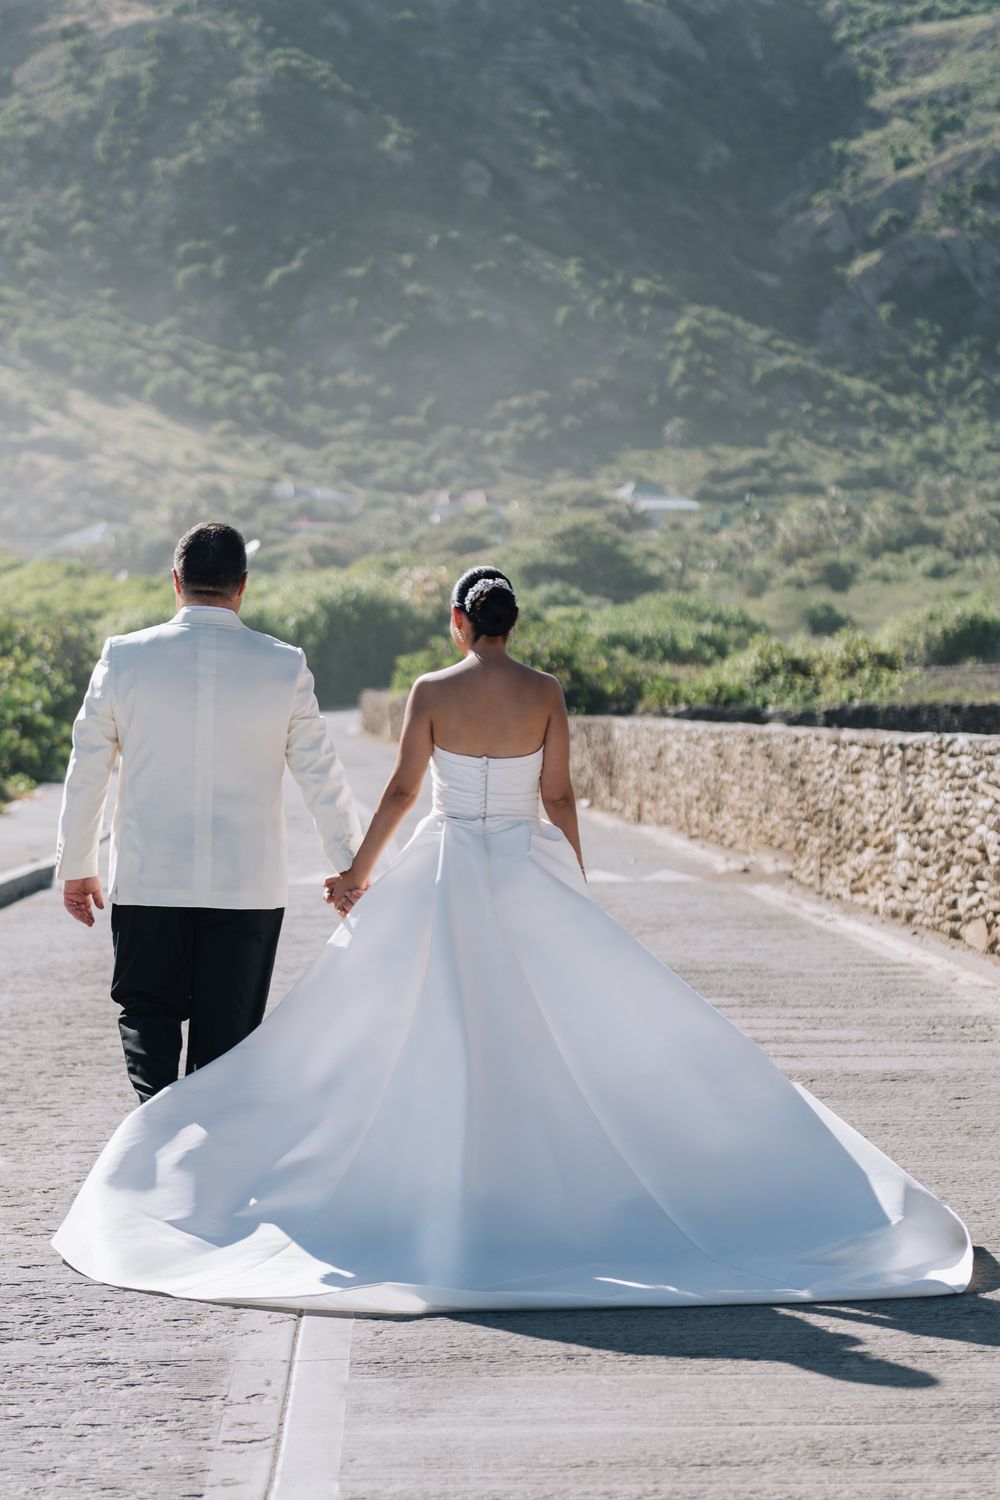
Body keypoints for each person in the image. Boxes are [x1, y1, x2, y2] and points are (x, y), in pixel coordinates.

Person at [52, 565, 972, 1314]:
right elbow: (562, 795)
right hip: (522, 864)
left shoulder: (432, 688)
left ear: (459, 622)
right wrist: (569, 877)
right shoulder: (544, 692)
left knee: (403, 1025)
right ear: (510, 624)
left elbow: (405, 793)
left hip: (445, 869)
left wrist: (358, 873)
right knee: (557, 1030)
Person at [55, 521, 363, 1103]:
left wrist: (77, 864)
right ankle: (209, 1172)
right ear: (242, 586)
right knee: (226, 1055)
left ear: (176, 582)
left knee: (148, 1027)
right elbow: (322, 774)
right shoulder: (284, 665)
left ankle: (153, 1142)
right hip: (246, 890)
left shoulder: (123, 658)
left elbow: (87, 768)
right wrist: (350, 866)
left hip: (148, 883)